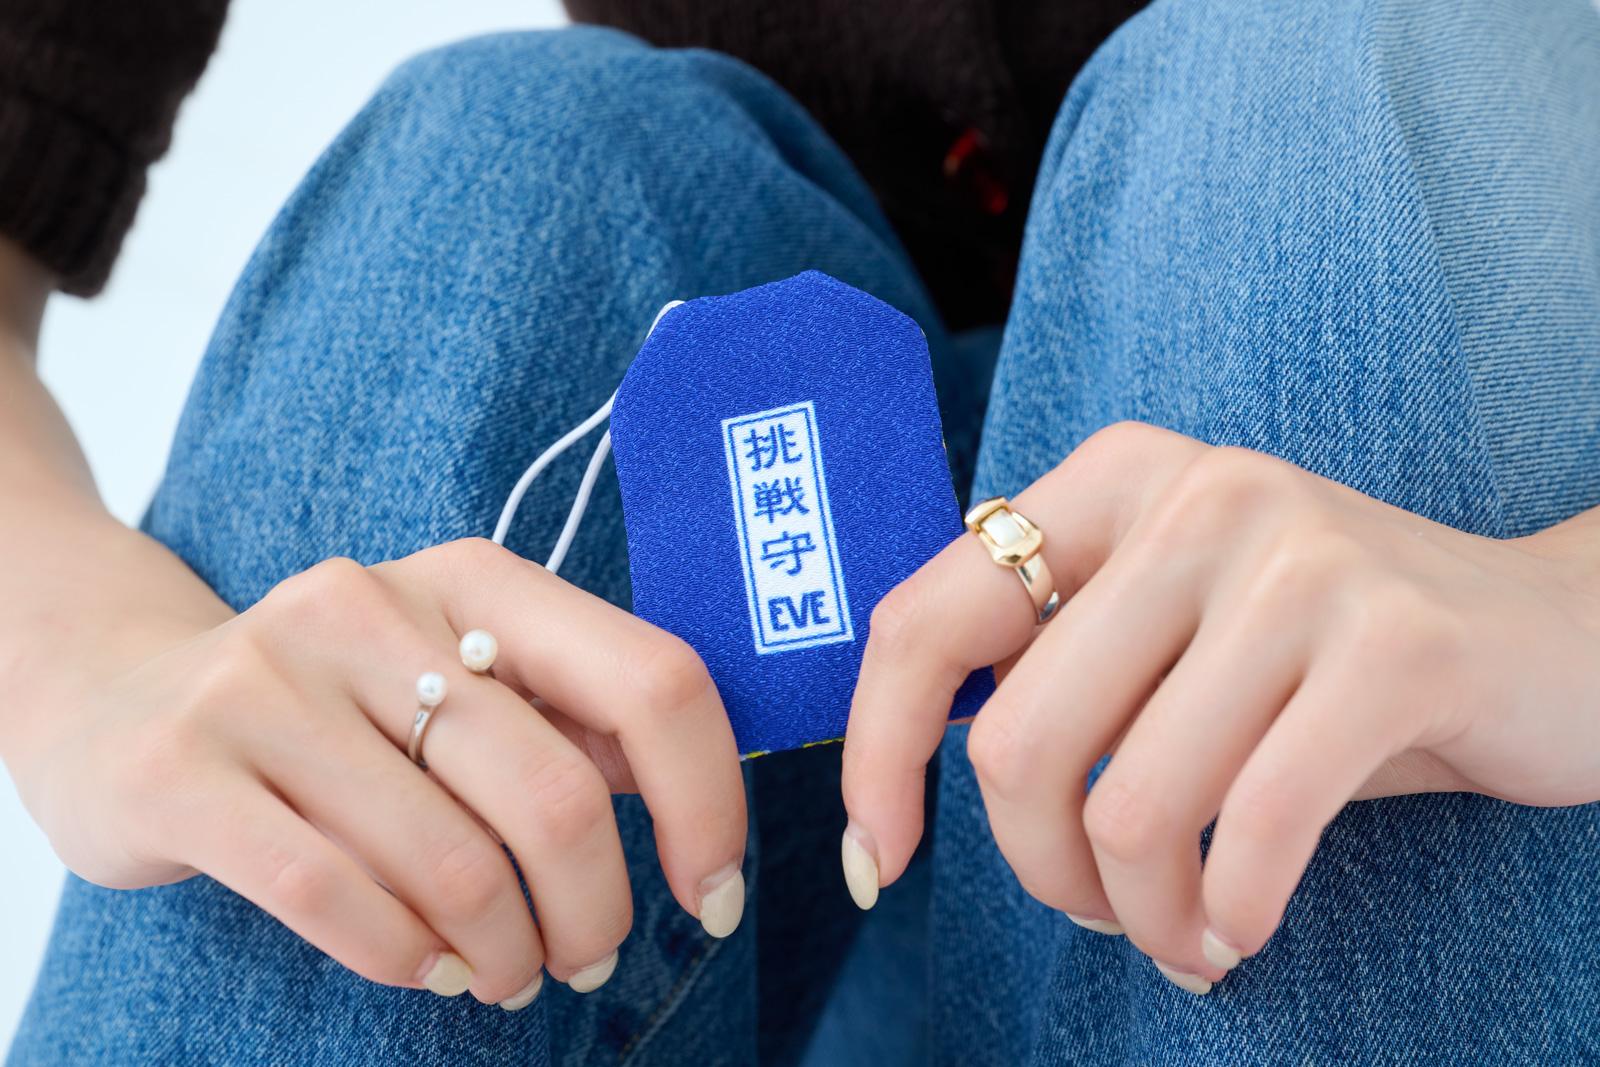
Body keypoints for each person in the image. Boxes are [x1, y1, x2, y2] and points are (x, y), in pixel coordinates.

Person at [3, 0, 1597, 1064]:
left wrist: (1557, 609)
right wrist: (93, 666)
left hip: (1464, 724)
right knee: (516, 167)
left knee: (1319, 108)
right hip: (736, 819)